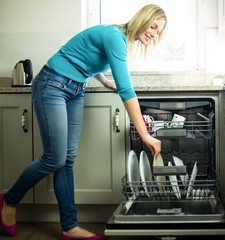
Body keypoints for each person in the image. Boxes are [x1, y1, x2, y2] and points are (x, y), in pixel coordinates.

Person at [0, 4, 165, 240]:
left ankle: (70, 227)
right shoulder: (116, 37)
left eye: (159, 32)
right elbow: (127, 91)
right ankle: (9, 200)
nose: (154, 34)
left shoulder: (119, 38)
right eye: (153, 27)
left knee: (66, 159)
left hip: (75, 90)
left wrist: (104, 80)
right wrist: (146, 135)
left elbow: (86, 56)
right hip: (52, 85)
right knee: (54, 158)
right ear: (143, 19)